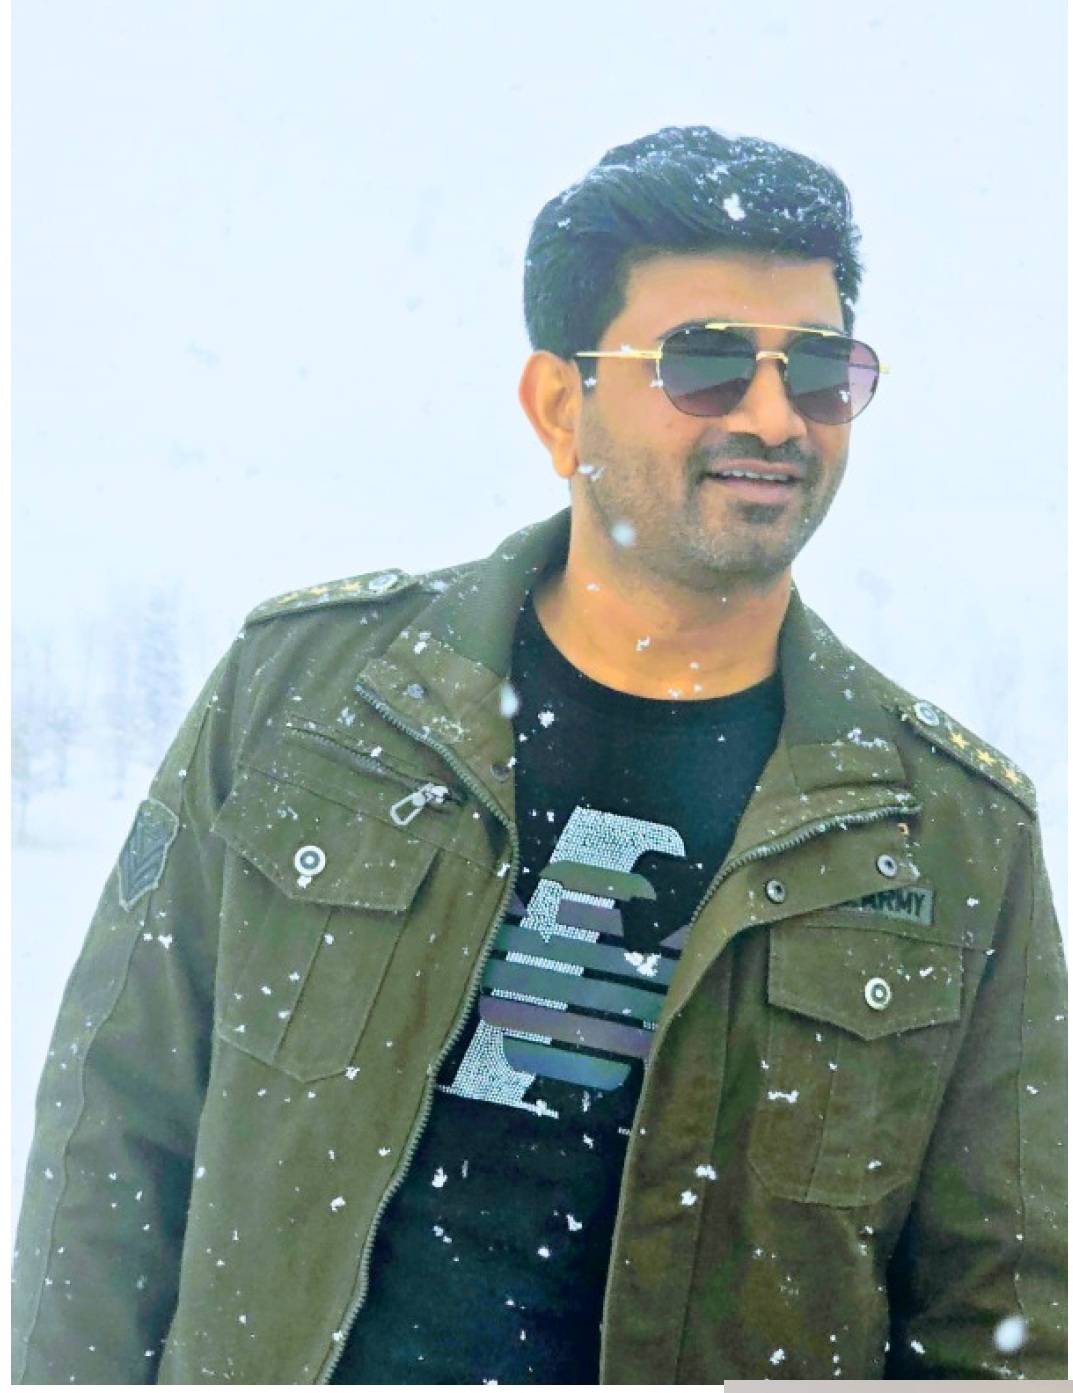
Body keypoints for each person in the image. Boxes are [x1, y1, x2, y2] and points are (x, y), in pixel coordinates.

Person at [12, 125, 1067, 1385]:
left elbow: (1002, 1313)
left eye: (819, 370)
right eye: (705, 363)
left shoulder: (947, 833)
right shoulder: (307, 697)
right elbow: (114, 1136)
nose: (773, 416)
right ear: (560, 406)